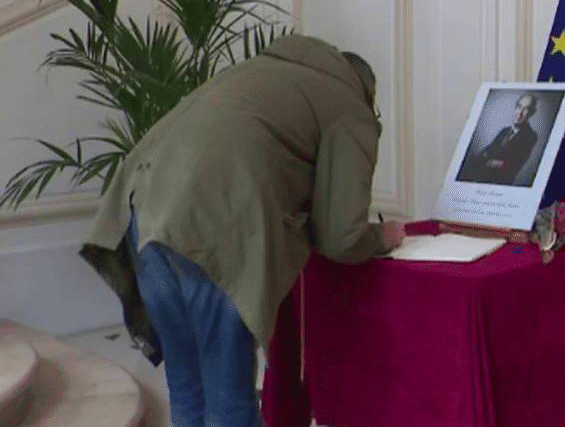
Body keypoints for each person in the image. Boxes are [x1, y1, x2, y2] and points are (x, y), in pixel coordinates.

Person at [77, 34, 406, 427]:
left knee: (186, 383)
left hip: (141, 210)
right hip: (213, 227)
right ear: (366, 89)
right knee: (226, 394)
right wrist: (381, 238)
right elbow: (341, 237)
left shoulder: (260, 70)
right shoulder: (348, 104)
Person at [458, 92, 539, 185]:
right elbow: (487, 151)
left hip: (498, 186)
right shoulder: (504, 131)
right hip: (480, 179)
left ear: (532, 113)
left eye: (526, 109)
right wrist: (486, 159)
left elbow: (513, 166)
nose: (520, 113)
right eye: (519, 107)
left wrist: (493, 161)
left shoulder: (531, 136)